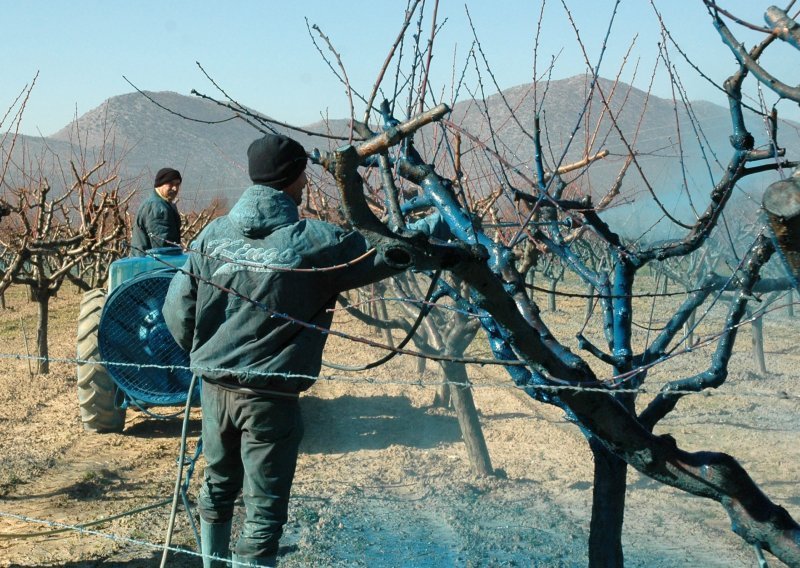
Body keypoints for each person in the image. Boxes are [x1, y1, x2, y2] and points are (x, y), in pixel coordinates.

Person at [162, 134, 415, 567]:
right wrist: (431, 232)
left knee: (217, 487)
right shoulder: (317, 241)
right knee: (263, 513)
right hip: (269, 397)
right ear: (296, 177)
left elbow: (176, 308)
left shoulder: (210, 235)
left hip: (214, 387)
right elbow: (389, 253)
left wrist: (206, 352)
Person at [130, 167, 183, 256]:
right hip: (151, 265)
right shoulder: (156, 207)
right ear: (160, 184)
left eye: (177, 184)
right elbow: (163, 246)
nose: (175, 188)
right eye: (170, 184)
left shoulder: (164, 204)